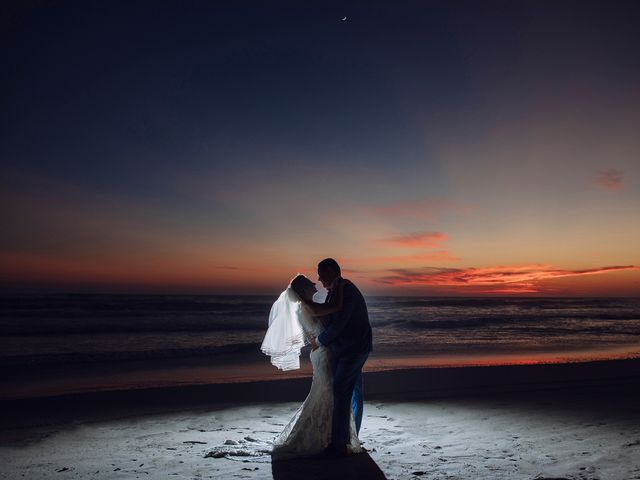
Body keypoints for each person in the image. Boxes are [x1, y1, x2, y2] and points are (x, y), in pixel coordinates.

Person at [261, 273, 362, 458]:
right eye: (309, 282)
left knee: (327, 393)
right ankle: (328, 437)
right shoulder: (307, 306)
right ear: (303, 289)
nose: (315, 283)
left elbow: (326, 318)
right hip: (324, 355)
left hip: (323, 353)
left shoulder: (308, 306)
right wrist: (338, 285)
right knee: (328, 393)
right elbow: (336, 307)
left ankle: (332, 437)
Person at [311, 258, 372, 457]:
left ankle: (339, 444)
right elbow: (331, 319)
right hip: (349, 348)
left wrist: (319, 341)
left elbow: (339, 325)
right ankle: (350, 438)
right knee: (353, 390)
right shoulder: (336, 290)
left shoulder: (347, 290)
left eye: (321, 273)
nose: (319, 278)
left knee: (342, 389)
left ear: (330, 271)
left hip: (354, 348)